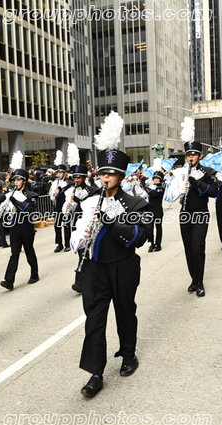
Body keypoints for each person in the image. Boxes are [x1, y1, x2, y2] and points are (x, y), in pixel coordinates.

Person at [70, 111, 151, 397]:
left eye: (111, 173)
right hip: (95, 268)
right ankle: (95, 372)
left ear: (121, 176)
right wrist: (80, 240)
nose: (105, 177)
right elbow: (76, 234)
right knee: (94, 320)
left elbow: (140, 237)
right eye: (102, 173)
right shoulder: (89, 202)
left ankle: (128, 354)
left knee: (125, 312)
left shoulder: (136, 204)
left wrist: (110, 222)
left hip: (123, 266)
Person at [173, 118, 218, 297]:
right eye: (188, 155)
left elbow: (214, 192)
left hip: (200, 213)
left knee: (197, 247)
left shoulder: (208, 172)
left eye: (194, 154)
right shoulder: (180, 172)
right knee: (188, 248)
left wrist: (197, 183)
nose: (190, 157)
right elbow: (171, 195)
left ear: (200, 155)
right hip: (185, 214)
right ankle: (193, 279)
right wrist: (180, 190)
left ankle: (200, 282)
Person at [0, 151, 39, 290]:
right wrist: (5, 207)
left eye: (18, 180)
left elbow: (30, 211)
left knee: (29, 251)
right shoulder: (11, 193)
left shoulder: (31, 195)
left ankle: (34, 274)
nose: (15, 182)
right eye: (14, 180)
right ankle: (9, 280)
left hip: (27, 227)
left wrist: (15, 202)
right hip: (15, 227)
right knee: (14, 254)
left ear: (24, 181)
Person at [63, 151, 99, 293]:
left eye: (79, 177)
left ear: (84, 177)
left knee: (90, 254)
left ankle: (82, 281)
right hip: (76, 224)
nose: (76, 179)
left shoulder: (93, 191)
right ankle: (82, 281)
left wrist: (78, 201)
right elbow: (66, 210)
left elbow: (93, 207)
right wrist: (68, 206)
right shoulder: (69, 191)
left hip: (90, 224)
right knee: (82, 253)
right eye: (75, 177)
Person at [143, 169, 165, 253]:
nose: (155, 180)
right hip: (150, 210)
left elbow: (154, 193)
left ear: (160, 179)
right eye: (154, 178)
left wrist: (145, 187)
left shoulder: (161, 188)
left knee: (158, 227)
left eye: (157, 178)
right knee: (149, 228)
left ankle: (158, 244)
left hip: (158, 210)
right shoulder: (151, 187)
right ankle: (152, 244)